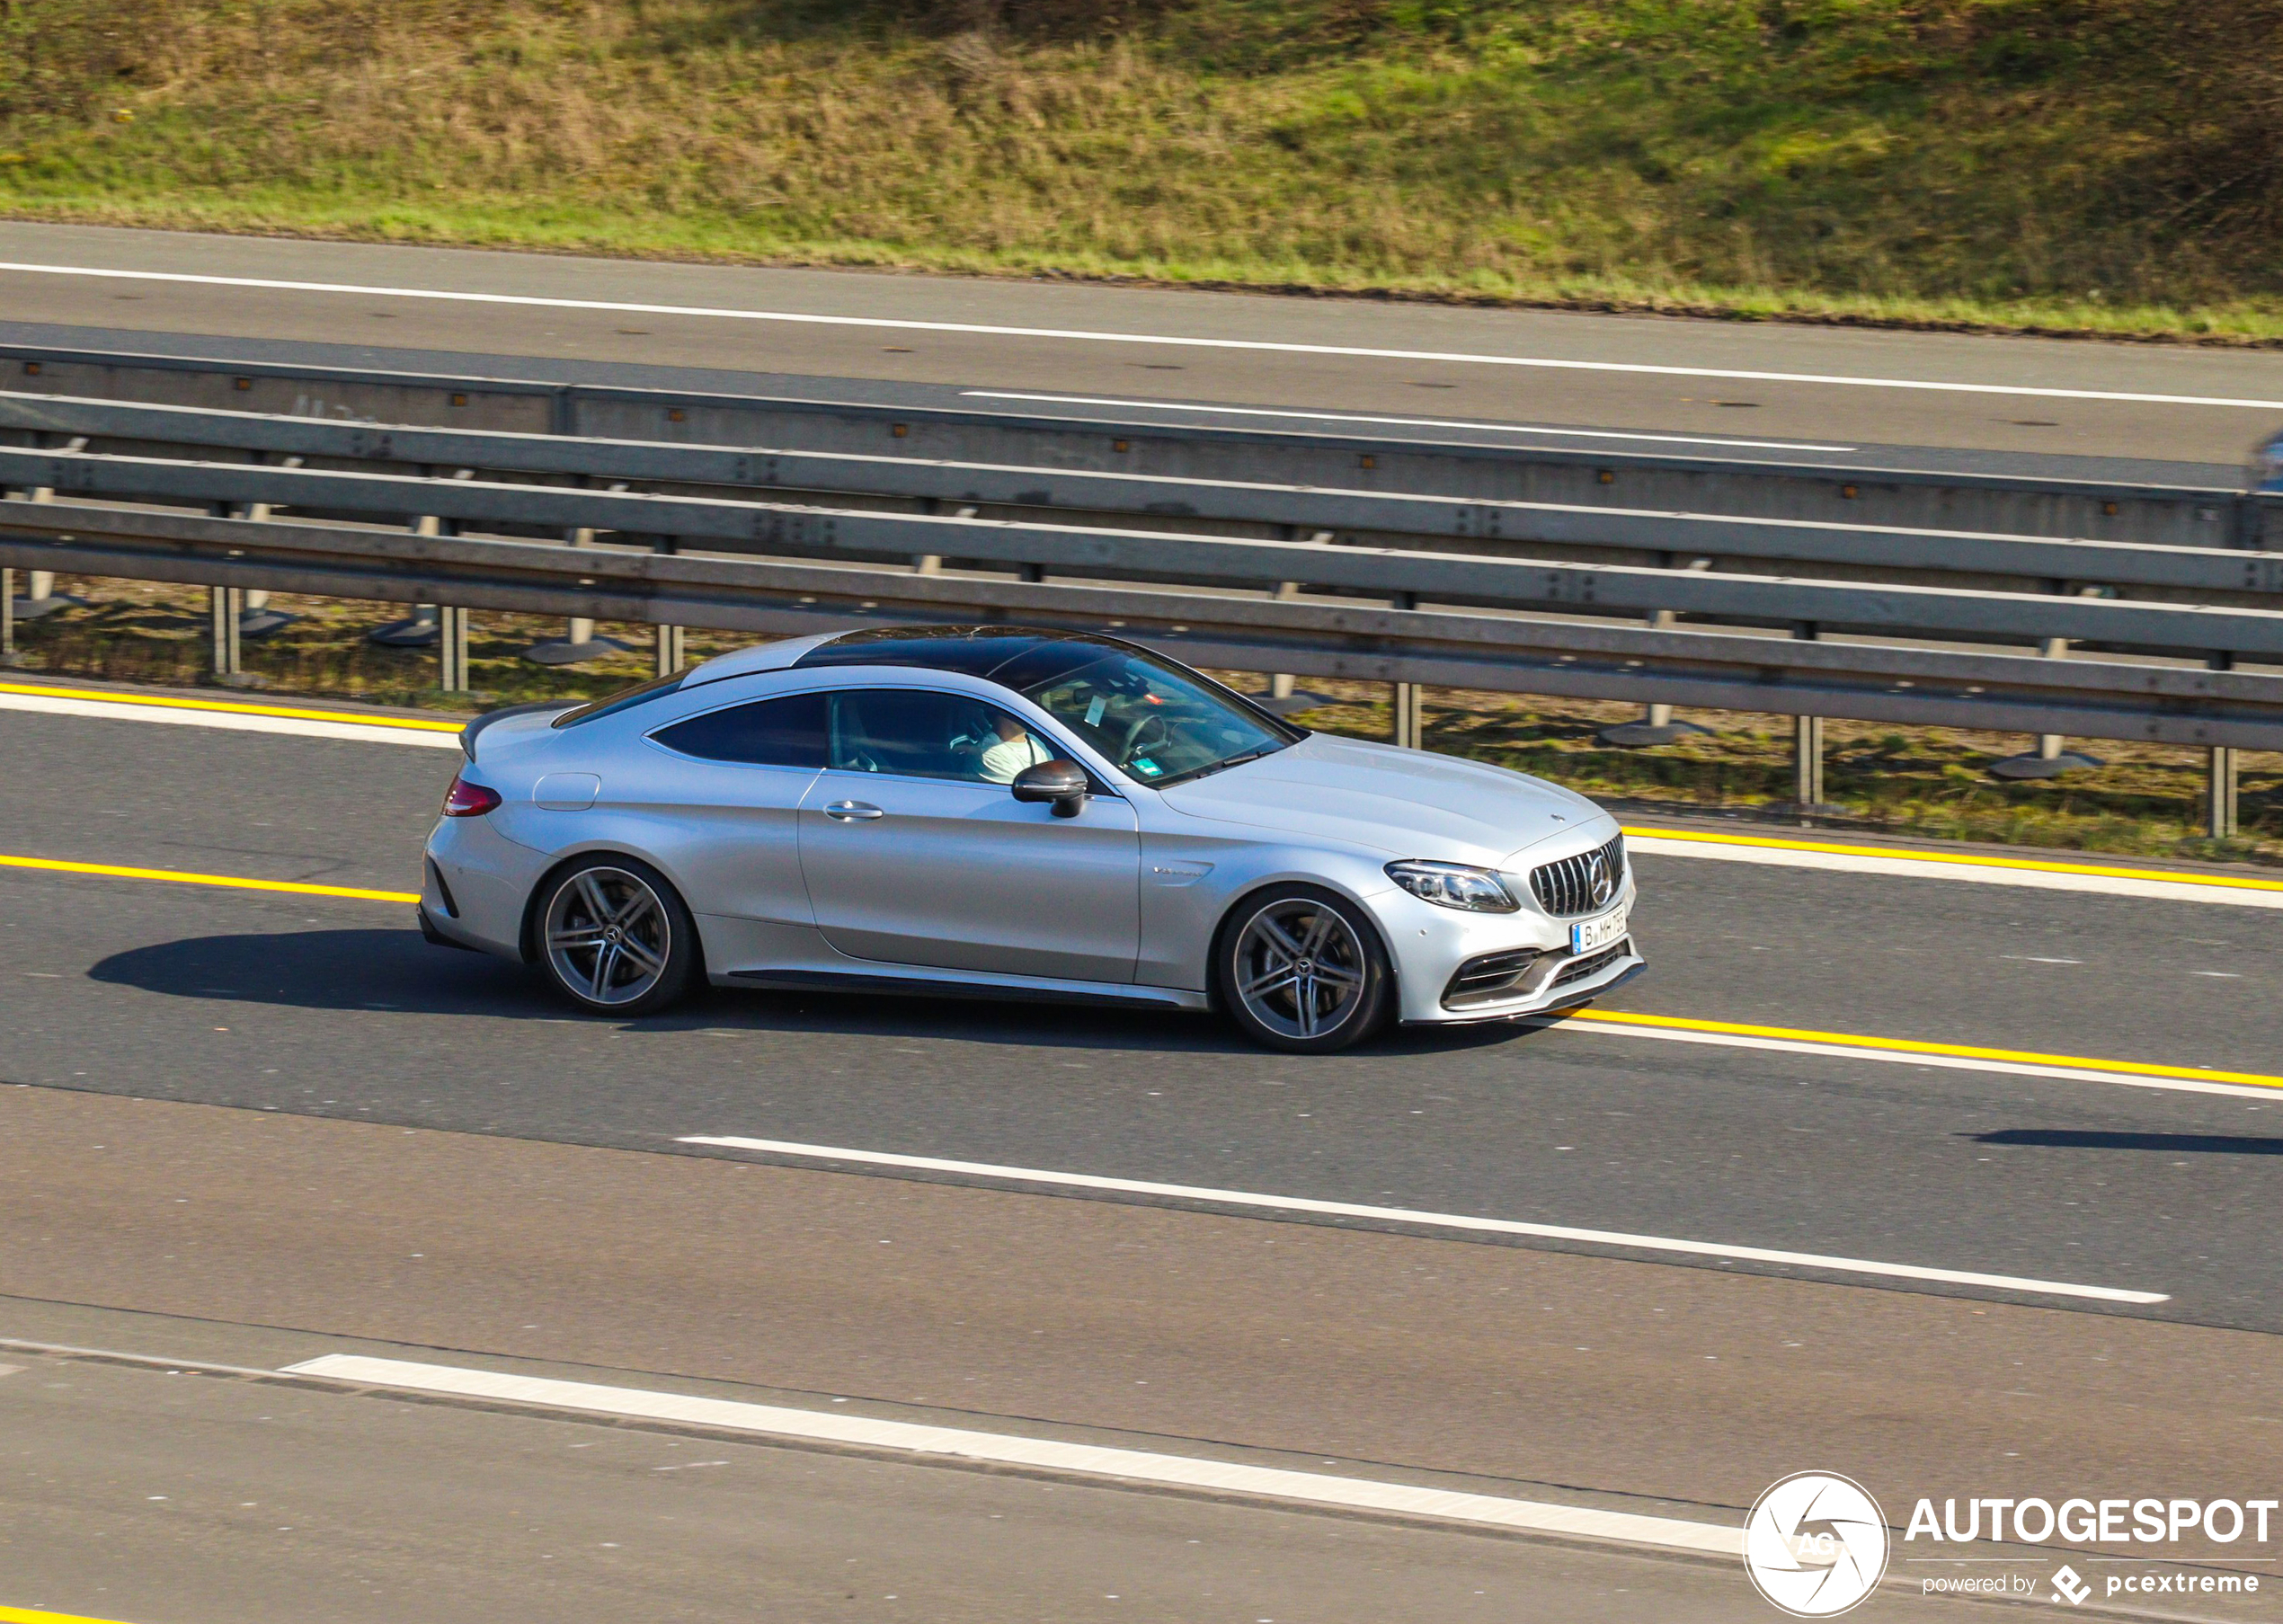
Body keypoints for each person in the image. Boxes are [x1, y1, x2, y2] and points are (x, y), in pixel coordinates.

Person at [977, 711, 1053, 784]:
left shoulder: (1033, 740)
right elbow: (1028, 790)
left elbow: (1053, 775)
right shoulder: (989, 753)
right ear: (1002, 714)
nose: (1028, 713)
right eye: (1021, 709)